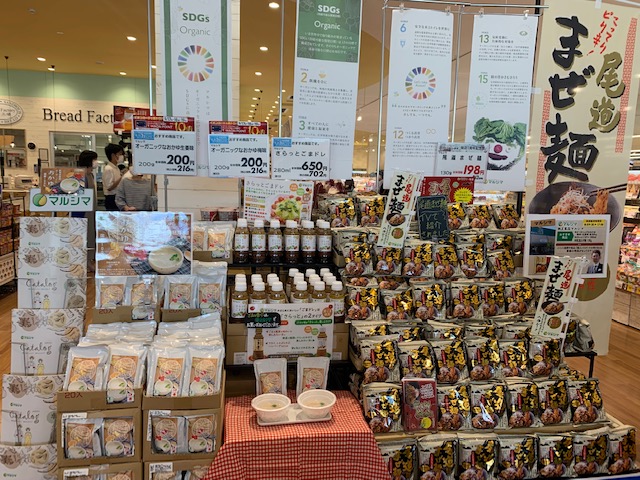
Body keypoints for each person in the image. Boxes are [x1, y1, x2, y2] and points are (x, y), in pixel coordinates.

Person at [74, 150, 98, 268]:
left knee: (91, 234)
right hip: (83, 211)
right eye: (94, 159)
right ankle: (83, 262)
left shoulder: (90, 175)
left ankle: (89, 260)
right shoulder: (80, 175)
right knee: (84, 235)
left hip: (91, 209)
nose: (96, 162)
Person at [103, 144, 125, 211]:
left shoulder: (116, 168)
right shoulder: (108, 169)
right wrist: (122, 177)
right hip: (111, 198)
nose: (122, 156)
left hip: (117, 196)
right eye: (120, 154)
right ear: (113, 155)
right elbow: (109, 187)